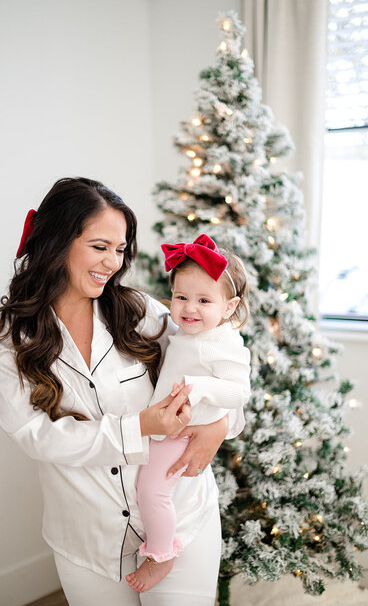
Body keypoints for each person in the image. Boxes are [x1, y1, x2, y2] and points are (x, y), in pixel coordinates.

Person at [0, 177, 238, 606]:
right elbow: (35, 436)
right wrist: (139, 427)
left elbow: (218, 362)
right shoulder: (4, 339)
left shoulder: (141, 312)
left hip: (182, 518)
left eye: (120, 249)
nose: (113, 262)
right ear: (57, 243)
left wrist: (222, 423)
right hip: (87, 539)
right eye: (100, 246)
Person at [126, 234, 251, 593]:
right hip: (165, 426)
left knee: (151, 491)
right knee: (144, 489)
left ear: (229, 307)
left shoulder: (223, 343)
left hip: (180, 434)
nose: (188, 308)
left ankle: (162, 555)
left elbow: (239, 391)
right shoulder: (186, 332)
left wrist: (201, 388)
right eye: (181, 297)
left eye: (203, 300)